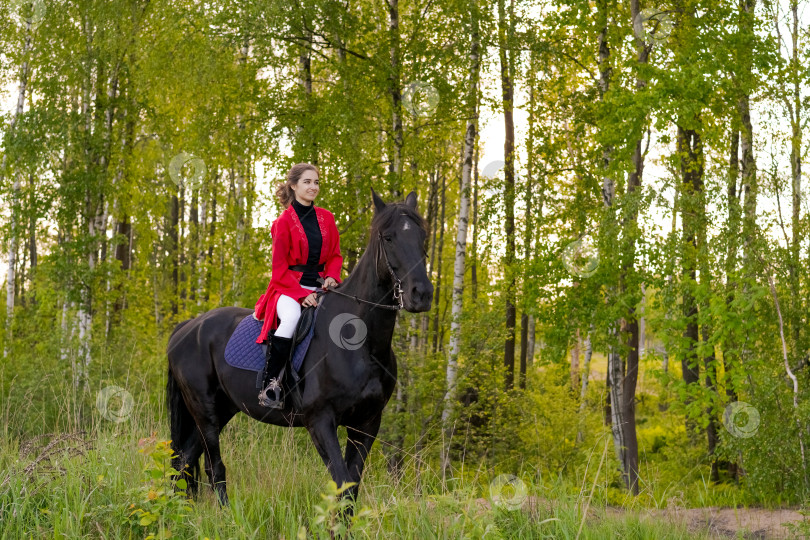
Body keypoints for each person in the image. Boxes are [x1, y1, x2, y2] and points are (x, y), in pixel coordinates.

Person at [253, 163, 343, 408]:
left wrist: (332, 276)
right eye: (307, 182)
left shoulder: (327, 217)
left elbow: (335, 255)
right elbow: (279, 270)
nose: (313, 187)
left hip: (321, 285)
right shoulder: (282, 223)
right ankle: (271, 385)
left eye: (316, 182)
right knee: (291, 318)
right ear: (293, 186)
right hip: (288, 288)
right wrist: (301, 295)